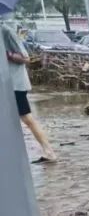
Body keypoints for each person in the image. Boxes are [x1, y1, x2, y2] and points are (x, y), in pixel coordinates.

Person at [3, 19, 58, 163]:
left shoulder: (6, 31)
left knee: (26, 118)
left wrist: (6, 54)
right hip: (5, 83)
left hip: (15, 83)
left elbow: (25, 57)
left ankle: (49, 151)